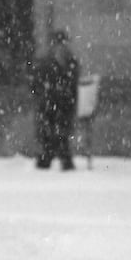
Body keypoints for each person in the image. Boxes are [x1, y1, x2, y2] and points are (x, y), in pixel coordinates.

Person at [31, 30, 80, 170]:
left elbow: (72, 84)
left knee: (60, 132)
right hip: (50, 104)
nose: (61, 47)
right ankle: (50, 157)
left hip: (63, 104)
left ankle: (56, 158)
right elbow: (37, 83)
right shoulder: (47, 63)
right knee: (49, 132)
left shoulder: (69, 62)